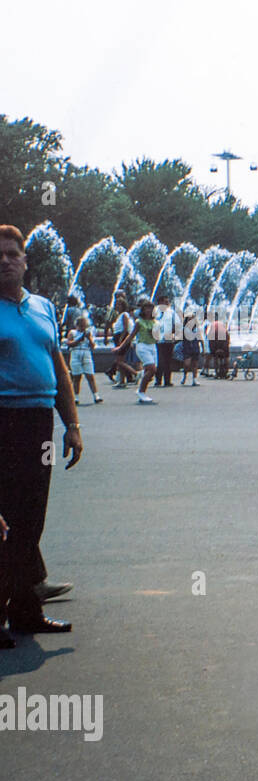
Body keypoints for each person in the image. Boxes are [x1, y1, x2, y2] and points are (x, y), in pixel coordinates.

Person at [0, 224, 82, 646]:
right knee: (3, 522)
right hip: (4, 423)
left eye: (13, 253)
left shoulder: (43, 308)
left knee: (31, 518)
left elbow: (59, 368)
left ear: (25, 260)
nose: (6, 260)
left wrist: (73, 424)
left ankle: (26, 613)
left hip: (40, 426)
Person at [119, 299, 160, 404]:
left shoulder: (156, 322)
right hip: (142, 346)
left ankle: (141, 380)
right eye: (147, 308)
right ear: (143, 310)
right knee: (152, 369)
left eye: (151, 308)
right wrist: (120, 347)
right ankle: (141, 391)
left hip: (152, 346)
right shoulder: (139, 322)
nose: (149, 311)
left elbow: (157, 339)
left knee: (150, 372)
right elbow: (131, 336)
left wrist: (154, 334)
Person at [64, 316, 102, 404]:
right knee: (77, 377)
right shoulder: (72, 333)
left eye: (84, 326)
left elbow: (93, 346)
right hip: (75, 353)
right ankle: (76, 397)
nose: (82, 328)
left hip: (86, 353)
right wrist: (79, 339)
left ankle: (96, 396)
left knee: (90, 375)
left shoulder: (89, 333)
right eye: (81, 326)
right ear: (76, 325)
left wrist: (89, 338)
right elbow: (69, 343)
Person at [105, 292, 137, 388]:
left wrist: (121, 340)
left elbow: (125, 328)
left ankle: (136, 373)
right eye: (116, 304)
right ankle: (122, 381)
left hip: (121, 339)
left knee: (120, 361)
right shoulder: (120, 315)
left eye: (119, 305)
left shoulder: (124, 315)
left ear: (123, 305)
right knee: (120, 361)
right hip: (118, 338)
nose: (117, 306)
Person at [154, 292, 180, 387]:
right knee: (159, 360)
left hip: (168, 340)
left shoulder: (171, 312)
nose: (167, 304)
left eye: (168, 302)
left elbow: (176, 324)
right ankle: (158, 380)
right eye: (165, 302)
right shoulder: (154, 311)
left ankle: (167, 380)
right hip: (157, 340)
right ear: (160, 302)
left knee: (168, 360)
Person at [178, 306, 204, 386]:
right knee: (187, 364)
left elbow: (200, 339)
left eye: (192, 319)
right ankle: (185, 376)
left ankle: (194, 379)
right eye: (189, 319)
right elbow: (179, 338)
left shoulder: (197, 329)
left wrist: (203, 349)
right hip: (187, 348)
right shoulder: (184, 329)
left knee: (195, 364)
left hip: (195, 348)